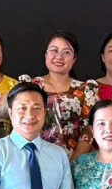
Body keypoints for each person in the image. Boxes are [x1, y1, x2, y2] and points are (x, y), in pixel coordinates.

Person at [20, 31, 99, 159]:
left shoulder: (86, 90)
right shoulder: (30, 86)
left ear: (74, 58)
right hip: (34, 158)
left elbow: (88, 131)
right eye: (54, 50)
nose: (59, 56)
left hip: (73, 160)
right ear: (46, 54)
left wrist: (73, 163)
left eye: (66, 52)